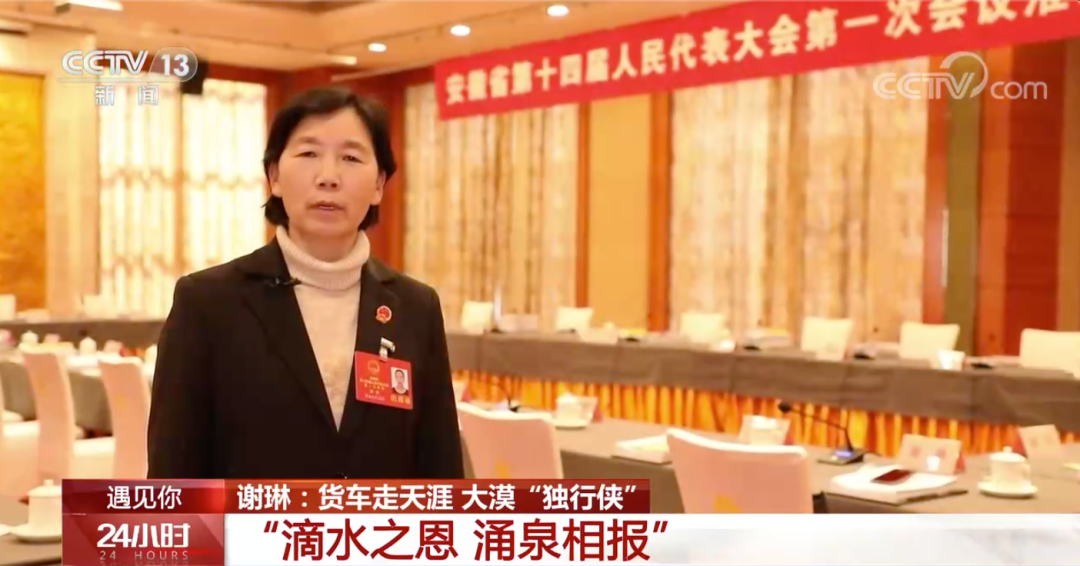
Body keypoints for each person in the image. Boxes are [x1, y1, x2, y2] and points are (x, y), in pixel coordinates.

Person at [147, 87, 464, 480]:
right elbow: (173, 475)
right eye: (309, 153)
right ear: (274, 176)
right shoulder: (208, 303)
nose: (328, 177)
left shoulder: (416, 307)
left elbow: (440, 469)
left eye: (351, 158)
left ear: (379, 184)